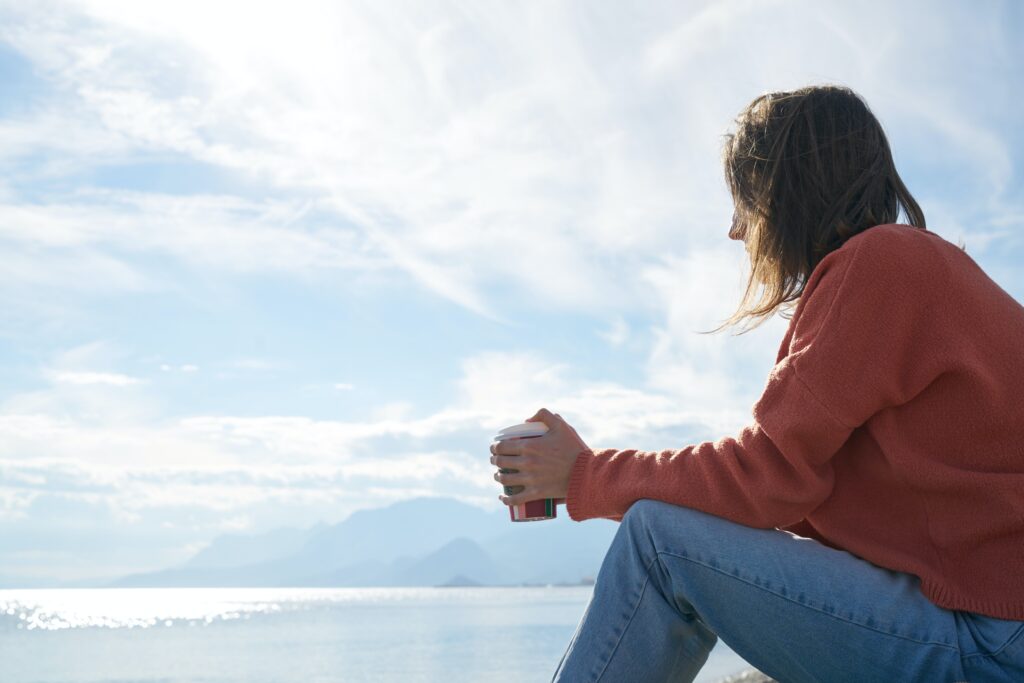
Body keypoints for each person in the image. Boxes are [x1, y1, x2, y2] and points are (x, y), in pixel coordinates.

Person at [489, 85, 1024, 682]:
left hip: (993, 640)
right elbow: (795, 489)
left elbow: (769, 476)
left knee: (657, 541)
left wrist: (584, 476)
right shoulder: (923, 269)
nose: (736, 231)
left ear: (783, 191)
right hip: (996, 621)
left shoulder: (879, 265)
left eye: (744, 201)